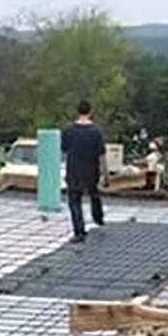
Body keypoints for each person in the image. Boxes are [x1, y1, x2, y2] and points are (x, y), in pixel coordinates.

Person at [61, 101, 109, 243]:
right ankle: (98, 217)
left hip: (74, 170)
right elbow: (101, 155)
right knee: (94, 194)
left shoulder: (69, 131)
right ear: (90, 112)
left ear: (77, 111)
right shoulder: (96, 131)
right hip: (91, 170)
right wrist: (105, 174)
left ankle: (79, 231)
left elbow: (64, 149)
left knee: (74, 200)